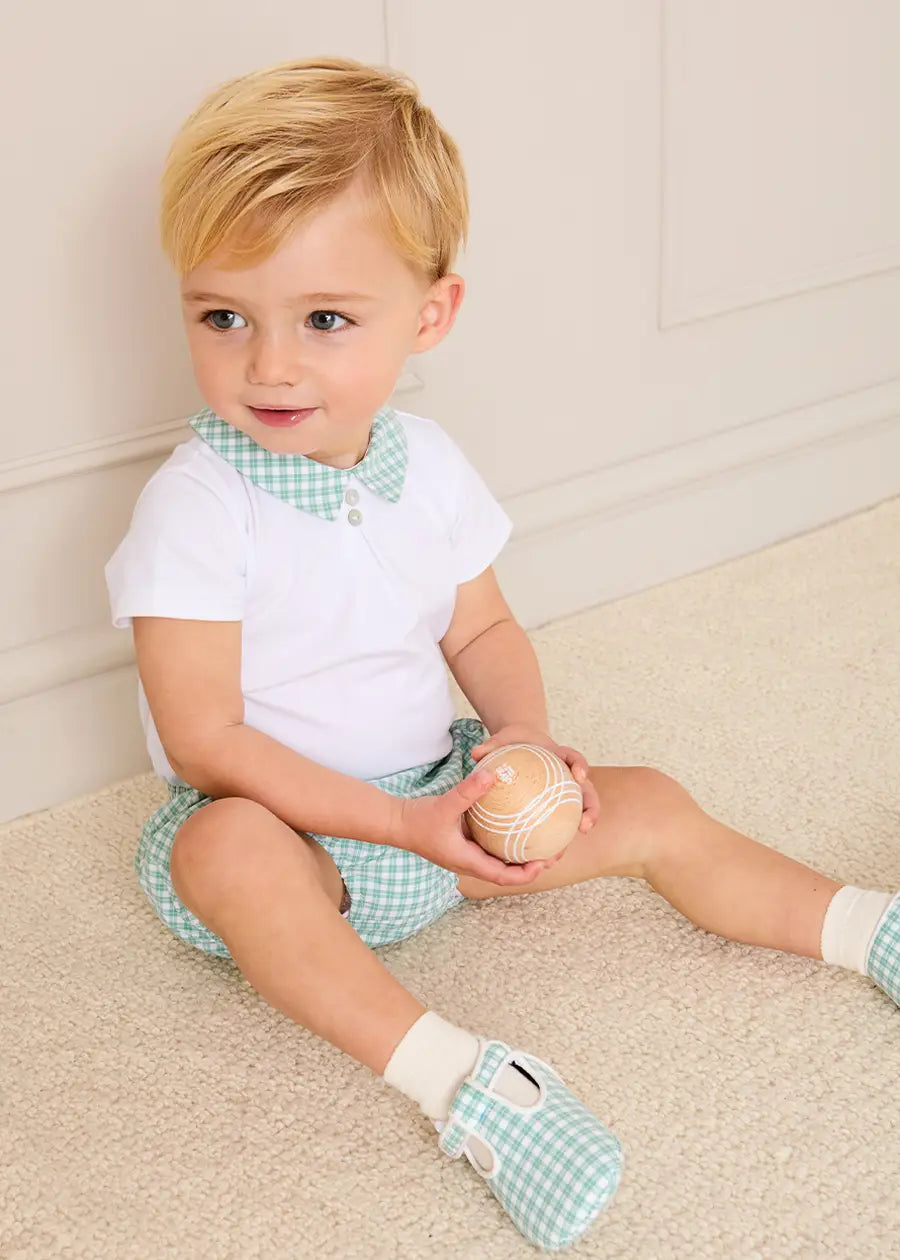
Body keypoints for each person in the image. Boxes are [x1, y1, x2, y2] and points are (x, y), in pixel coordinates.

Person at [105, 56, 899, 1252]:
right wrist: (397, 826)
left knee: (650, 801)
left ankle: (863, 926)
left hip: (444, 809)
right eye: (224, 316)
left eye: (325, 320)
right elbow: (208, 740)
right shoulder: (200, 506)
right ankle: (467, 1084)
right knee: (229, 853)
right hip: (298, 840)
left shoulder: (425, 466)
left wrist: (520, 737)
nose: (268, 364)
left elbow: (479, 626)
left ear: (430, 316)